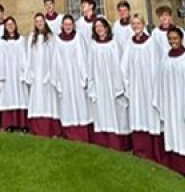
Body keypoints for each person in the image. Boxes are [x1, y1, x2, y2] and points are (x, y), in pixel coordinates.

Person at [154, 26, 185, 177]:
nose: (172, 41)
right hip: (170, 102)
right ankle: (177, 165)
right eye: (170, 39)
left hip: (184, 102)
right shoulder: (165, 57)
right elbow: (160, 80)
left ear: (181, 38)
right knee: (174, 133)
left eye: (175, 38)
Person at [122, 14, 165, 164]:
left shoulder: (151, 43)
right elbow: (124, 67)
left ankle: (154, 152)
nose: (135, 26)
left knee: (150, 115)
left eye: (138, 23)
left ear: (143, 23)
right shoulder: (130, 43)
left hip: (149, 86)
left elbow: (156, 65)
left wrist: (154, 87)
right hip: (135, 87)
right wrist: (127, 85)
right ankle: (140, 150)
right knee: (138, 115)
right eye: (133, 24)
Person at [86, 17, 130, 151]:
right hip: (99, 83)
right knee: (101, 111)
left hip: (112, 83)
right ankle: (103, 140)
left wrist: (119, 86)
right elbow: (90, 66)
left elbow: (119, 65)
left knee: (115, 112)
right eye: (96, 27)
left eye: (101, 26)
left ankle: (117, 142)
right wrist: (92, 84)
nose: (99, 29)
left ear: (106, 28)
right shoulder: (93, 46)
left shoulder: (114, 44)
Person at [52, 15, 93, 142]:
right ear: (62, 26)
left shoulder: (78, 38)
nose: (68, 27)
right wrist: (57, 79)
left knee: (80, 103)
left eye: (70, 24)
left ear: (73, 25)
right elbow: (55, 60)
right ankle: (69, 133)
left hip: (77, 76)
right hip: (64, 77)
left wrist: (84, 76)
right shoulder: (57, 40)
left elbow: (83, 57)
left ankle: (82, 132)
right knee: (67, 104)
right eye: (66, 24)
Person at [24, 13, 61, 137]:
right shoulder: (31, 37)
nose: (39, 23)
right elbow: (28, 56)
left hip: (48, 75)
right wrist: (29, 72)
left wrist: (51, 73)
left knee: (49, 101)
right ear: (34, 23)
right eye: (37, 21)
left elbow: (54, 56)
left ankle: (50, 129)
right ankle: (37, 128)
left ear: (45, 22)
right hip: (36, 76)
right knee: (36, 101)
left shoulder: (50, 38)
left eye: (41, 21)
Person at [0, 16, 29, 132]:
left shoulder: (21, 40)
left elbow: (25, 57)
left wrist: (25, 73)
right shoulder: (2, 41)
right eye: (8, 24)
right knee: (9, 98)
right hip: (7, 75)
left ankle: (23, 124)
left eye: (12, 24)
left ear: (15, 25)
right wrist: (1, 76)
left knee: (21, 97)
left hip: (19, 74)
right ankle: (9, 124)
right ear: (5, 27)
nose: (10, 26)